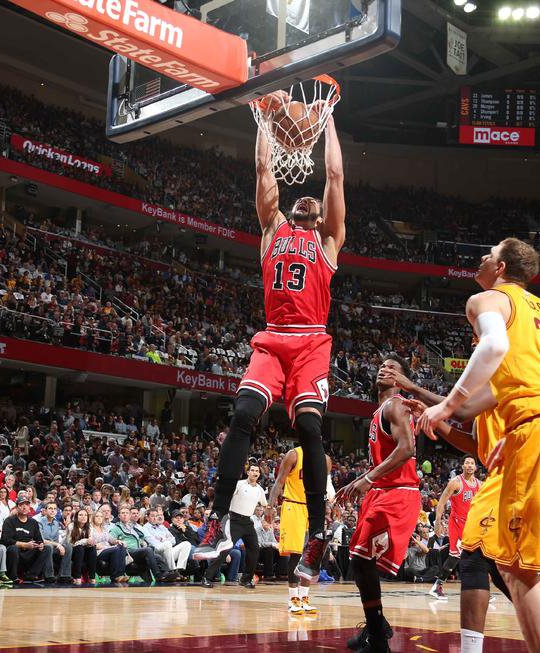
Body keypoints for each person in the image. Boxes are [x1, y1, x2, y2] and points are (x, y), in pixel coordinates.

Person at [418, 237, 540, 653]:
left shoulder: (488, 299)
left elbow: (493, 346)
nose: (481, 258)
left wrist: (446, 406)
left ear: (501, 268)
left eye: (489, 254)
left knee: (514, 564)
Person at [193, 103, 346, 587]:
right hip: (272, 336)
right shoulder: (271, 229)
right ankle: (217, 518)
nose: (307, 201)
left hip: (310, 341)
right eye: (302, 200)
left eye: (314, 203)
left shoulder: (328, 241)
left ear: (320, 218)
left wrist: (328, 120)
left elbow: (335, 176)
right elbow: (263, 169)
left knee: (309, 427)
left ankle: (317, 533)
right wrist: (263, 118)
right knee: (242, 414)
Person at [336, 356, 419, 653]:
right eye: (382, 366)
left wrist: (368, 479)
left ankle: (378, 637)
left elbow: (407, 448)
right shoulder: (379, 410)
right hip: (382, 490)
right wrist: (362, 480)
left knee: (361, 561)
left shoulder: (396, 405)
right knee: (359, 560)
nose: (384, 368)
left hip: (398, 492)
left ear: (401, 380)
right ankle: (375, 627)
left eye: (393, 367)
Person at [267, 445, 333, 613]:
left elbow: (327, 487)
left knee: (312, 554)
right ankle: (293, 598)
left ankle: (304, 597)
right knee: (296, 554)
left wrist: (328, 506)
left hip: (314, 508)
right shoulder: (294, 455)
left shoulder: (325, 460)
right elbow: (279, 481)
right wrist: (269, 506)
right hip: (293, 505)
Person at [204, 463, 265, 590]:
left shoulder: (259, 489)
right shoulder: (239, 484)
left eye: (257, 471)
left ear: (259, 474)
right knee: (225, 549)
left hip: (247, 522)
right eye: (252, 470)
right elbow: (226, 497)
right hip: (234, 520)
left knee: (254, 549)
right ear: (248, 472)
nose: (255, 472)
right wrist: (218, 512)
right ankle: (207, 577)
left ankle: (246, 579)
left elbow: (264, 504)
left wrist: (267, 514)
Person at [429, 455, 481, 599]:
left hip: (472, 525)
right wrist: (438, 522)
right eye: (467, 463)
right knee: (455, 556)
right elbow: (441, 502)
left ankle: (477, 590)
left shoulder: (480, 485)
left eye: (472, 463)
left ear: (476, 467)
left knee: (478, 556)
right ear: (462, 466)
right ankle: (437, 586)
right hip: (457, 523)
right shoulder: (455, 483)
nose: (469, 465)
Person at [0, 495, 52, 582]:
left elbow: (39, 539)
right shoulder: (9, 521)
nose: (24, 507)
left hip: (29, 550)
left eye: (26, 505)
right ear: (17, 507)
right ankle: (13, 576)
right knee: (13, 548)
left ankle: (31, 575)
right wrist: (24, 545)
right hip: (15, 552)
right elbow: (5, 540)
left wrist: (40, 545)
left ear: (29, 507)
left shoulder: (33, 522)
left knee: (47, 548)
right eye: (21, 505)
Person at [36, 501, 70, 583]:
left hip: (54, 547)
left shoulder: (56, 523)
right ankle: (49, 576)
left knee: (68, 546)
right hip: (43, 548)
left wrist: (67, 528)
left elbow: (58, 540)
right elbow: (42, 540)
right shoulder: (39, 522)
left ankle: (64, 575)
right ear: (45, 510)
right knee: (49, 547)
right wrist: (58, 545)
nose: (52, 510)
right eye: (50, 508)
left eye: (55, 509)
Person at [68, 508, 97, 585]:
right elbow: (71, 543)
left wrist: (91, 542)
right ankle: (77, 577)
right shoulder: (71, 526)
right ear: (76, 517)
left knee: (92, 548)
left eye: (85, 515)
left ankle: (92, 577)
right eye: (80, 515)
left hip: (85, 551)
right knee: (79, 548)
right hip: (72, 551)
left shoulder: (89, 527)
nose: (83, 517)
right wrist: (85, 541)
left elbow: (91, 539)